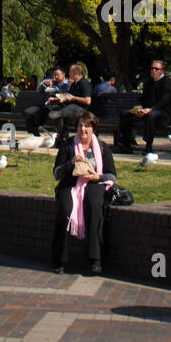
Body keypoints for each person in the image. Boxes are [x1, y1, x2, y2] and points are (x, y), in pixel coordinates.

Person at [51, 111, 117, 274]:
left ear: (93, 128)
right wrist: (70, 163)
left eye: (87, 126)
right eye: (80, 125)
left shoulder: (102, 147)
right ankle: (60, 259)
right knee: (66, 209)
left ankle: (96, 259)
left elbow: (112, 175)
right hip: (70, 184)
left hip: (93, 182)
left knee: (94, 206)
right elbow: (56, 174)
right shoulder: (68, 145)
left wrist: (97, 176)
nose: (83, 129)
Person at [116, 60, 171, 153]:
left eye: (156, 69)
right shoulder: (149, 82)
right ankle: (126, 145)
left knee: (151, 116)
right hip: (146, 111)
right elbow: (143, 98)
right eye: (152, 68)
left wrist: (151, 109)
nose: (154, 71)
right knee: (125, 114)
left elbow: (165, 100)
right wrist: (139, 106)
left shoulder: (167, 82)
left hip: (162, 112)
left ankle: (148, 146)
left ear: (162, 71)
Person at [46, 64, 93, 136]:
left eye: (70, 72)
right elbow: (68, 95)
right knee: (58, 112)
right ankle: (62, 136)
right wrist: (56, 98)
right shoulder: (74, 84)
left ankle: (58, 115)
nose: (68, 74)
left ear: (75, 73)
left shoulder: (84, 83)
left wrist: (74, 98)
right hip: (72, 107)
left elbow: (88, 101)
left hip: (81, 109)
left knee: (60, 113)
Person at [24, 68, 67, 136]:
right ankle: (35, 133)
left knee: (56, 114)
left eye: (57, 75)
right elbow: (39, 90)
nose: (55, 77)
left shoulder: (67, 83)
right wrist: (44, 85)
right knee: (29, 112)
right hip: (47, 106)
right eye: (54, 75)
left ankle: (59, 136)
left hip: (60, 107)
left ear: (63, 75)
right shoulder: (52, 82)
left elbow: (65, 95)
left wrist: (55, 97)